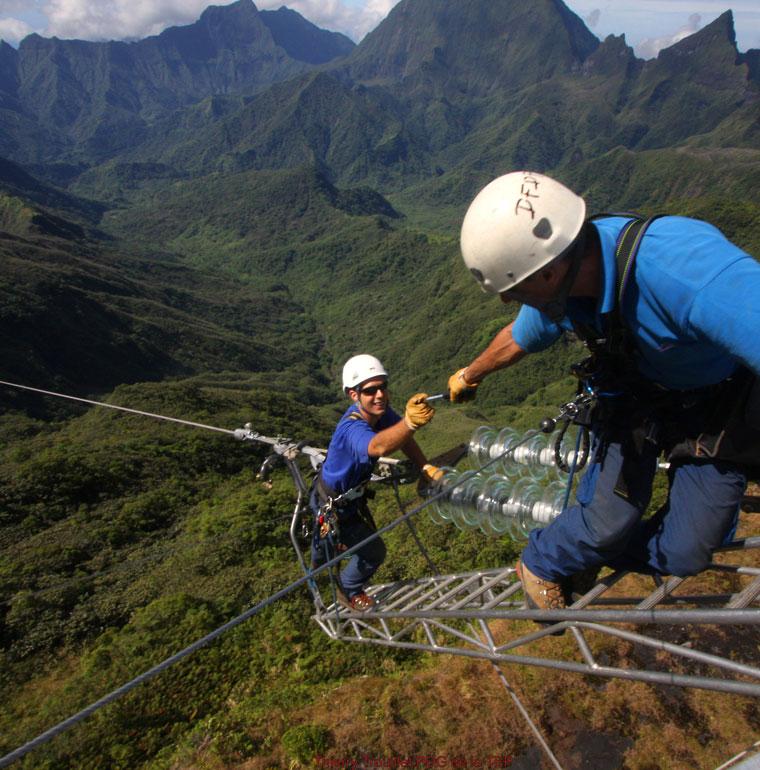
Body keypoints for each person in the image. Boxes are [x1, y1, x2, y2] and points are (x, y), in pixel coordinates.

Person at [448, 170, 760, 610]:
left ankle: (600, 550)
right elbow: (519, 337)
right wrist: (469, 375)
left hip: (713, 405)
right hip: (635, 403)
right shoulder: (568, 288)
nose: (508, 300)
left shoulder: (683, 272)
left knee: (687, 551)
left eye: (514, 289)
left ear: (549, 272)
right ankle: (545, 559)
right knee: (606, 522)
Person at [311, 354, 440, 611]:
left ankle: (344, 581)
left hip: (350, 501)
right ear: (353, 395)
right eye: (370, 390)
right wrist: (410, 422)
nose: (380, 395)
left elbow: (403, 439)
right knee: (328, 556)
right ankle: (338, 589)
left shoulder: (380, 414)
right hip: (330, 506)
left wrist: (425, 466)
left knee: (365, 551)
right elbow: (378, 445)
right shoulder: (351, 428)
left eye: (383, 387)